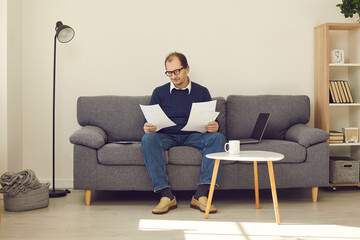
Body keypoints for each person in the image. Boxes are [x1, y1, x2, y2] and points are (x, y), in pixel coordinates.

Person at [141, 52, 226, 214]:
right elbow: (149, 120)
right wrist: (148, 127)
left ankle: (201, 196)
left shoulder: (202, 92)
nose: (173, 76)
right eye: (169, 72)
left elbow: (211, 120)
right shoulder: (159, 92)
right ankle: (166, 196)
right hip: (166, 136)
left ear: (187, 69)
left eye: (176, 71)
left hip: (194, 136)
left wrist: (214, 126)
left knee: (218, 138)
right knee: (148, 139)